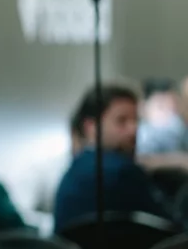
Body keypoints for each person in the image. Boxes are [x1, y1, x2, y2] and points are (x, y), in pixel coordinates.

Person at [53, 83, 175, 232]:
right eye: (121, 121)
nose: (133, 129)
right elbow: (173, 228)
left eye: (136, 120)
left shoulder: (76, 168)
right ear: (91, 127)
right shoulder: (122, 171)